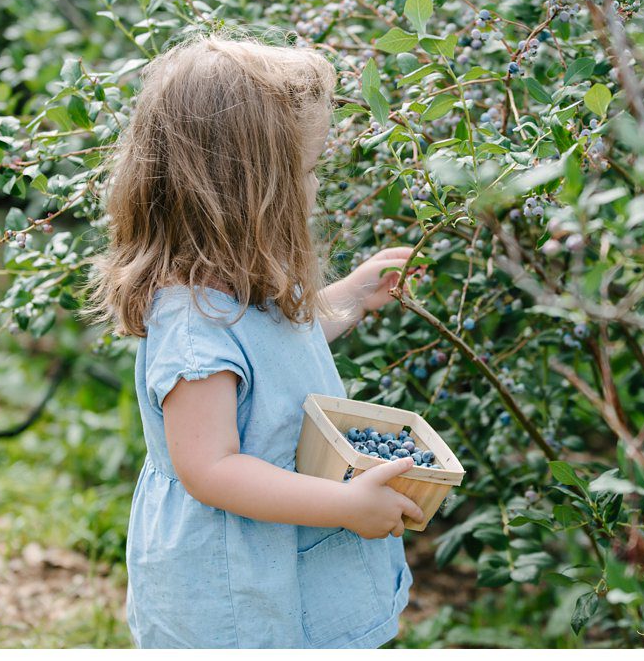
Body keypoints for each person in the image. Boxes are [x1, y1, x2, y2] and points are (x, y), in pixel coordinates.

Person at [93, 34, 424, 651]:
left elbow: (277, 353)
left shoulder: (245, 287)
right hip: (233, 579)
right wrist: (346, 506)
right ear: (251, 193)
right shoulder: (191, 326)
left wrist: (348, 297)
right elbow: (211, 470)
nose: (314, 189)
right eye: (306, 172)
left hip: (283, 550)